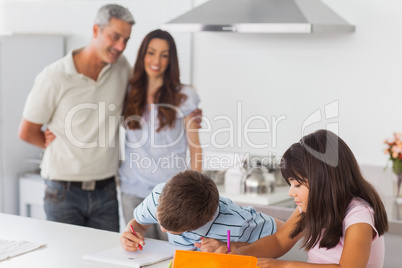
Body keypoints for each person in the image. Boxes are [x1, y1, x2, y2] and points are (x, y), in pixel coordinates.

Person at [18, 4, 135, 231]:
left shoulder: (121, 68)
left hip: (107, 190)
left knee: (104, 263)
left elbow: (138, 106)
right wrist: (46, 141)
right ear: (95, 30)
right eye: (115, 37)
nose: (120, 46)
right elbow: (26, 131)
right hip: (63, 192)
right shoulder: (55, 76)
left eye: (126, 40)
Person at [214, 130, 389, 268]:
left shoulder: (358, 217)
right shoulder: (313, 206)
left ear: (324, 181)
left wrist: (285, 266)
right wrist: (239, 254)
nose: (291, 192)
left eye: (297, 185)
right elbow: (278, 241)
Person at [119, 29, 202, 239]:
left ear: (171, 60)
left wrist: (196, 190)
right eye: (151, 52)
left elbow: (195, 147)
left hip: (171, 194)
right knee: (139, 254)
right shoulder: (127, 92)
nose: (157, 60)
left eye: (164, 55)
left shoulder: (184, 96)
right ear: (142, 55)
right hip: (133, 190)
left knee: (174, 255)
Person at [120, 170, 284, 252]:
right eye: (158, 219)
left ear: (208, 220)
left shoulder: (237, 220)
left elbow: (281, 233)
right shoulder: (157, 197)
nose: (162, 229)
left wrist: (230, 246)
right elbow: (139, 224)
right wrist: (130, 233)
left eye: (174, 231)